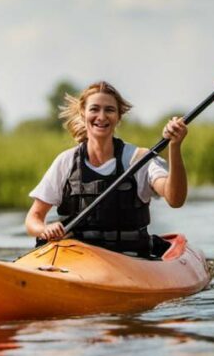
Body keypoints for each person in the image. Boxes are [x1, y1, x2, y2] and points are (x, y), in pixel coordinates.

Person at [25, 81, 188, 257]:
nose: (101, 117)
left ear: (118, 117)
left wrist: (174, 146)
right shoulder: (66, 162)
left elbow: (175, 199)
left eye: (109, 110)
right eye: (94, 109)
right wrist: (44, 229)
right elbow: (33, 218)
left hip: (130, 259)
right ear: (83, 113)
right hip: (78, 259)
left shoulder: (139, 159)